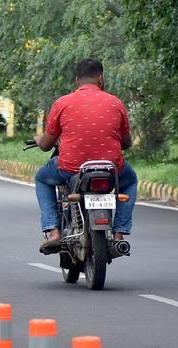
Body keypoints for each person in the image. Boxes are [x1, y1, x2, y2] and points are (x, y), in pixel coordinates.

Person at [32, 58, 138, 254]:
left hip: (71, 168)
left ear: (77, 80)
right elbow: (127, 143)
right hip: (111, 169)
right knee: (130, 181)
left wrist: (39, 139)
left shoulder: (62, 103)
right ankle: (118, 236)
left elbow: (47, 145)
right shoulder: (116, 102)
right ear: (101, 78)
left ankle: (53, 232)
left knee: (42, 178)